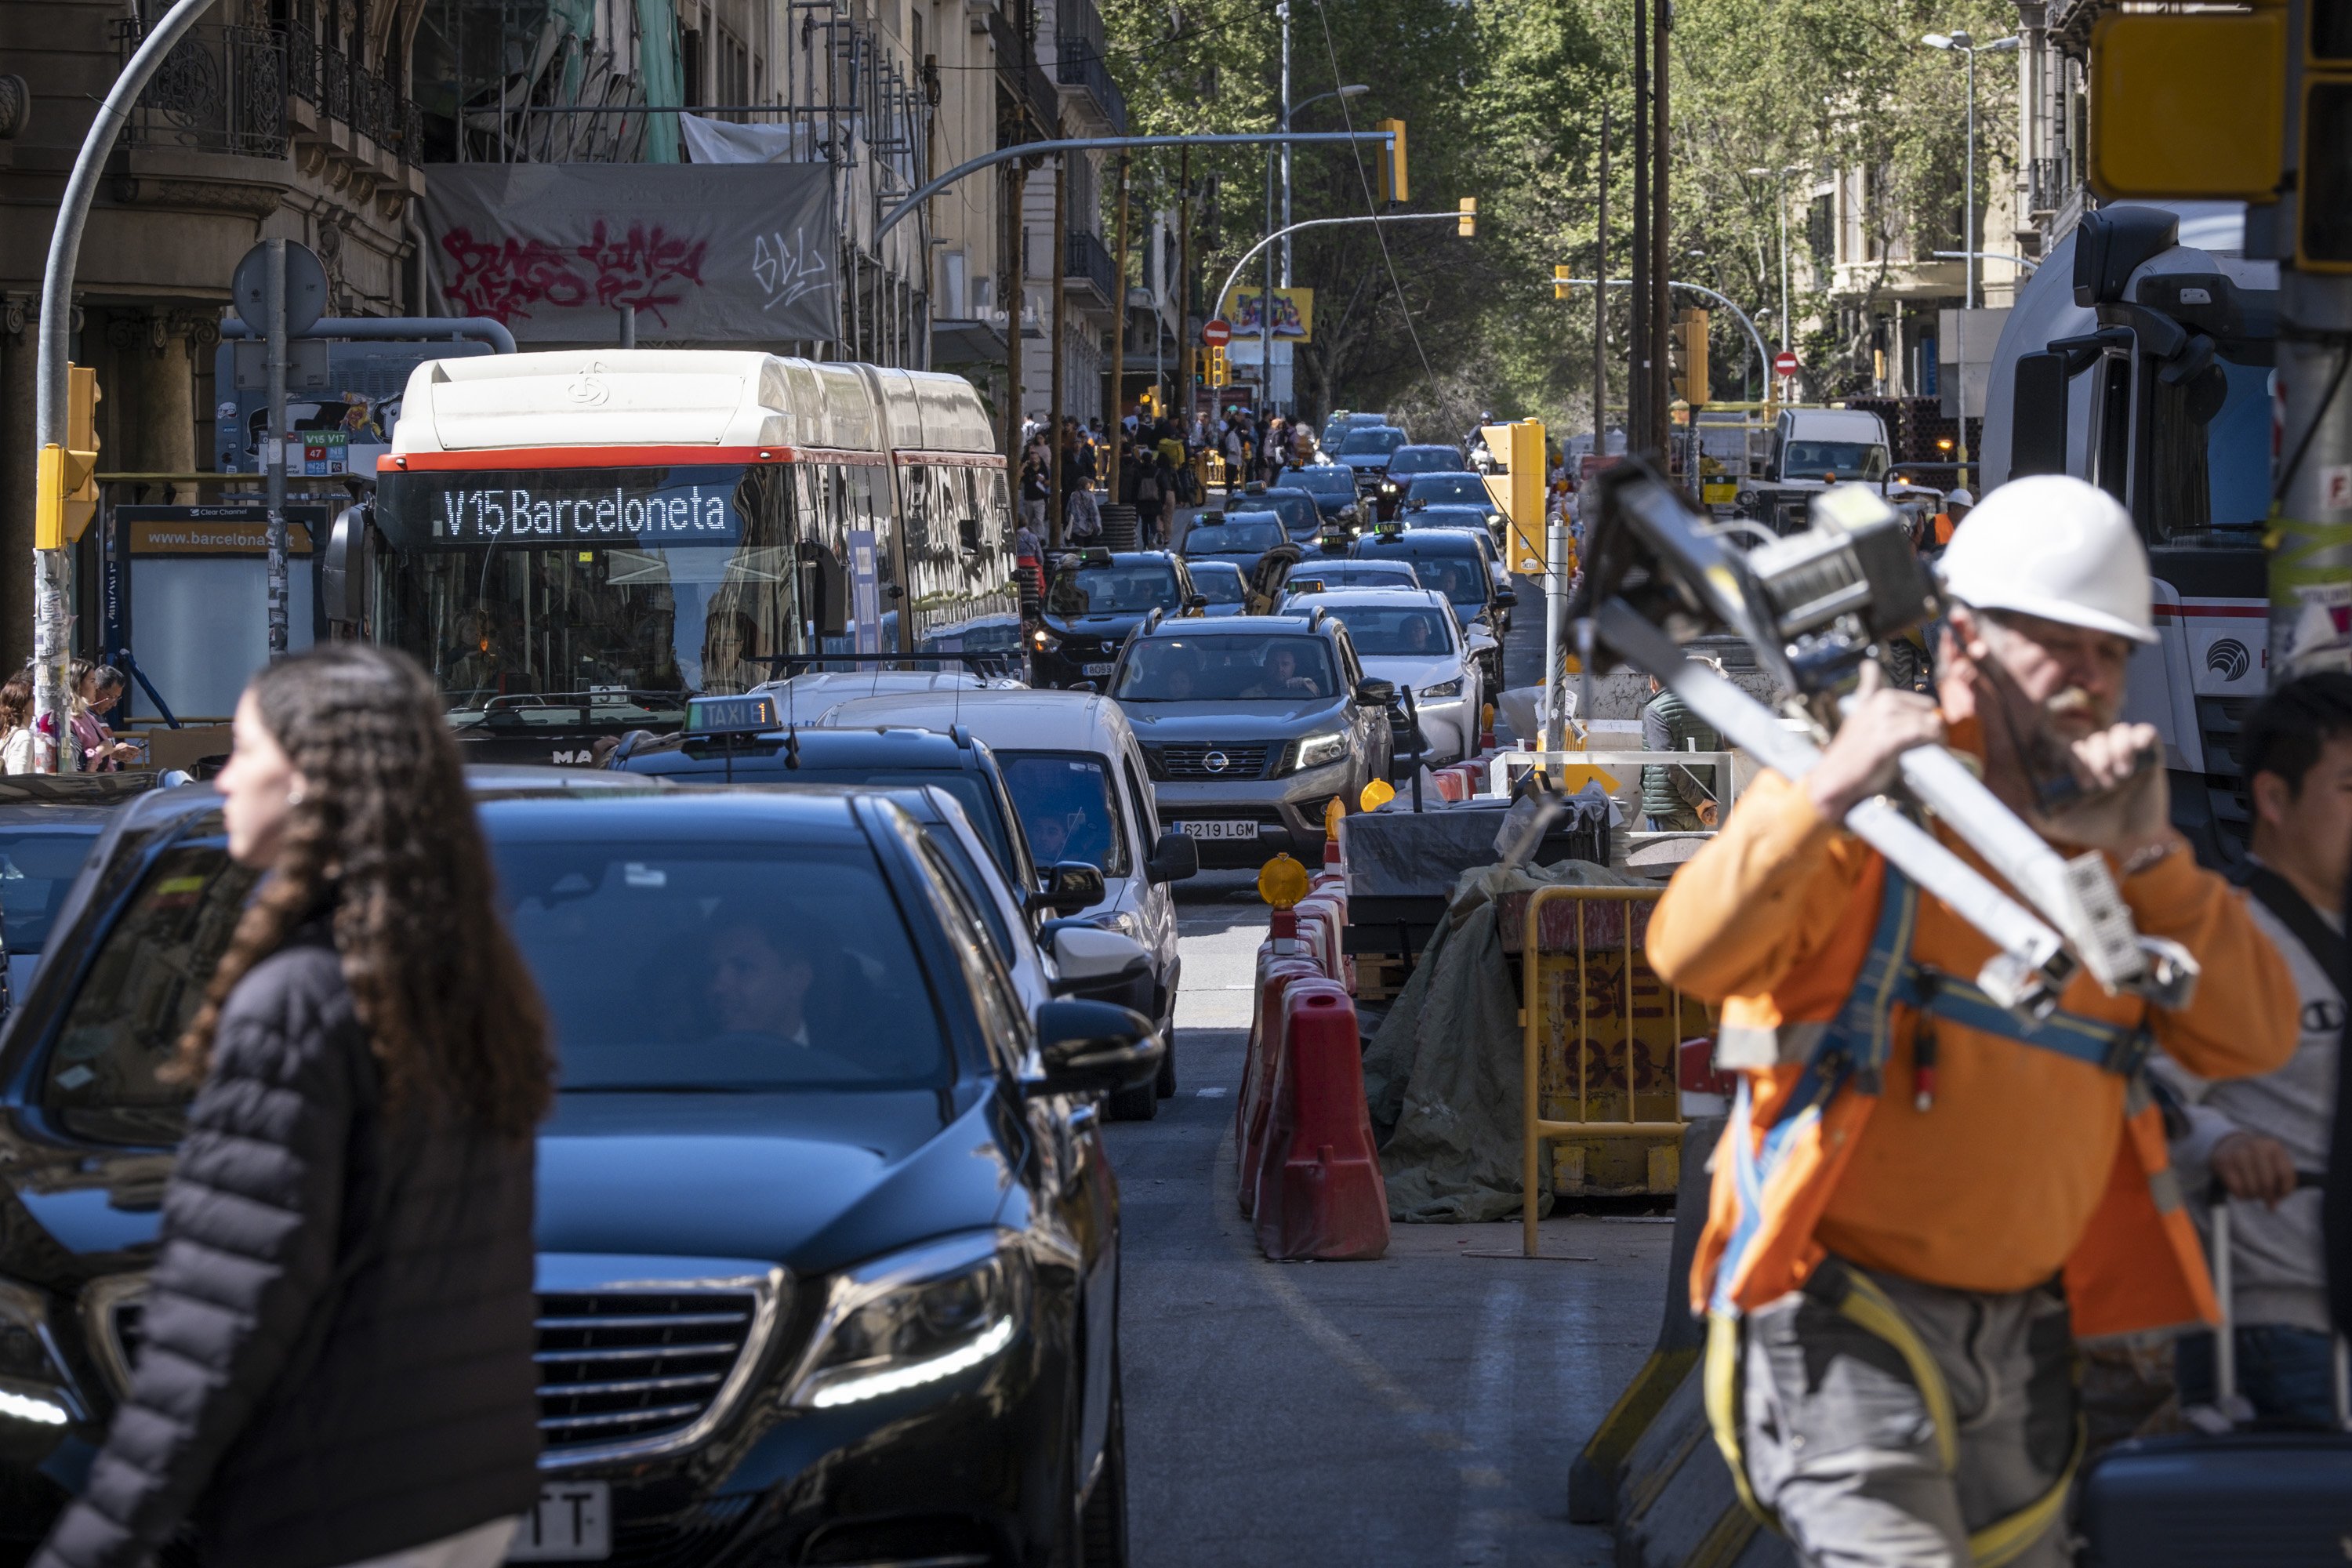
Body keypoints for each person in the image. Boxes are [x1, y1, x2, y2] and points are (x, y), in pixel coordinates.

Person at [1652, 474, 2298, 1568]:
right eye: (2061, 647)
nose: (2093, 682)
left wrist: (2150, 856)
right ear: (1966, 645)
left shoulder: (2110, 855)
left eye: (2110, 654)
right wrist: (1821, 799)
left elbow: (2252, 1036)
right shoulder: (1871, 803)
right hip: (1844, 1318)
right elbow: (1693, 952)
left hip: (2034, 1338)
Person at [32, 644, 551, 1568]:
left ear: (310, 782)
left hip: (333, 1503)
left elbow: (224, 1315)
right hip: (461, 1491)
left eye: (245, 751)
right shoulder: (455, 983)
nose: (226, 778)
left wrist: (102, 1535)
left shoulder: (298, 1001)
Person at [2154, 673, 2351, 1428]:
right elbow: (2154, 1095)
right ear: (2274, 799)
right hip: (2280, 1325)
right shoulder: (2221, 938)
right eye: (2349, 786)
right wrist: (2226, 1140)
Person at [708, 920, 818, 1045]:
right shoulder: (691, 1059)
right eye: (712, 971)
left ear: (798, 980)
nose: (717, 988)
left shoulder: (837, 1060)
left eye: (743, 967)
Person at [1639, 668, 1722, 830]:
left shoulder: (1654, 710)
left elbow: (1669, 761)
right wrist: (1709, 803)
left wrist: (1698, 802)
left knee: (1661, 856)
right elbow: (1720, 759)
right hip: (1701, 811)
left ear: (1653, 682)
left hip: (1667, 809)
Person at [69, 662, 136, 771]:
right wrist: (109, 752)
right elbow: (80, 758)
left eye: (117, 699)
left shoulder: (91, 719)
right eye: (111, 697)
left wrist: (112, 752)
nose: (114, 704)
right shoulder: (75, 719)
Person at [0, 664, 45, 775]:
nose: (38, 701)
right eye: (33, 698)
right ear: (22, 704)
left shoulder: (8, 732)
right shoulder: (23, 737)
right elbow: (20, 780)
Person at [1932, 485, 1974, 550]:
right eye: (1964, 509)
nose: (1967, 513)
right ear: (1953, 507)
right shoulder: (1936, 522)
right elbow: (1926, 548)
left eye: (1968, 510)